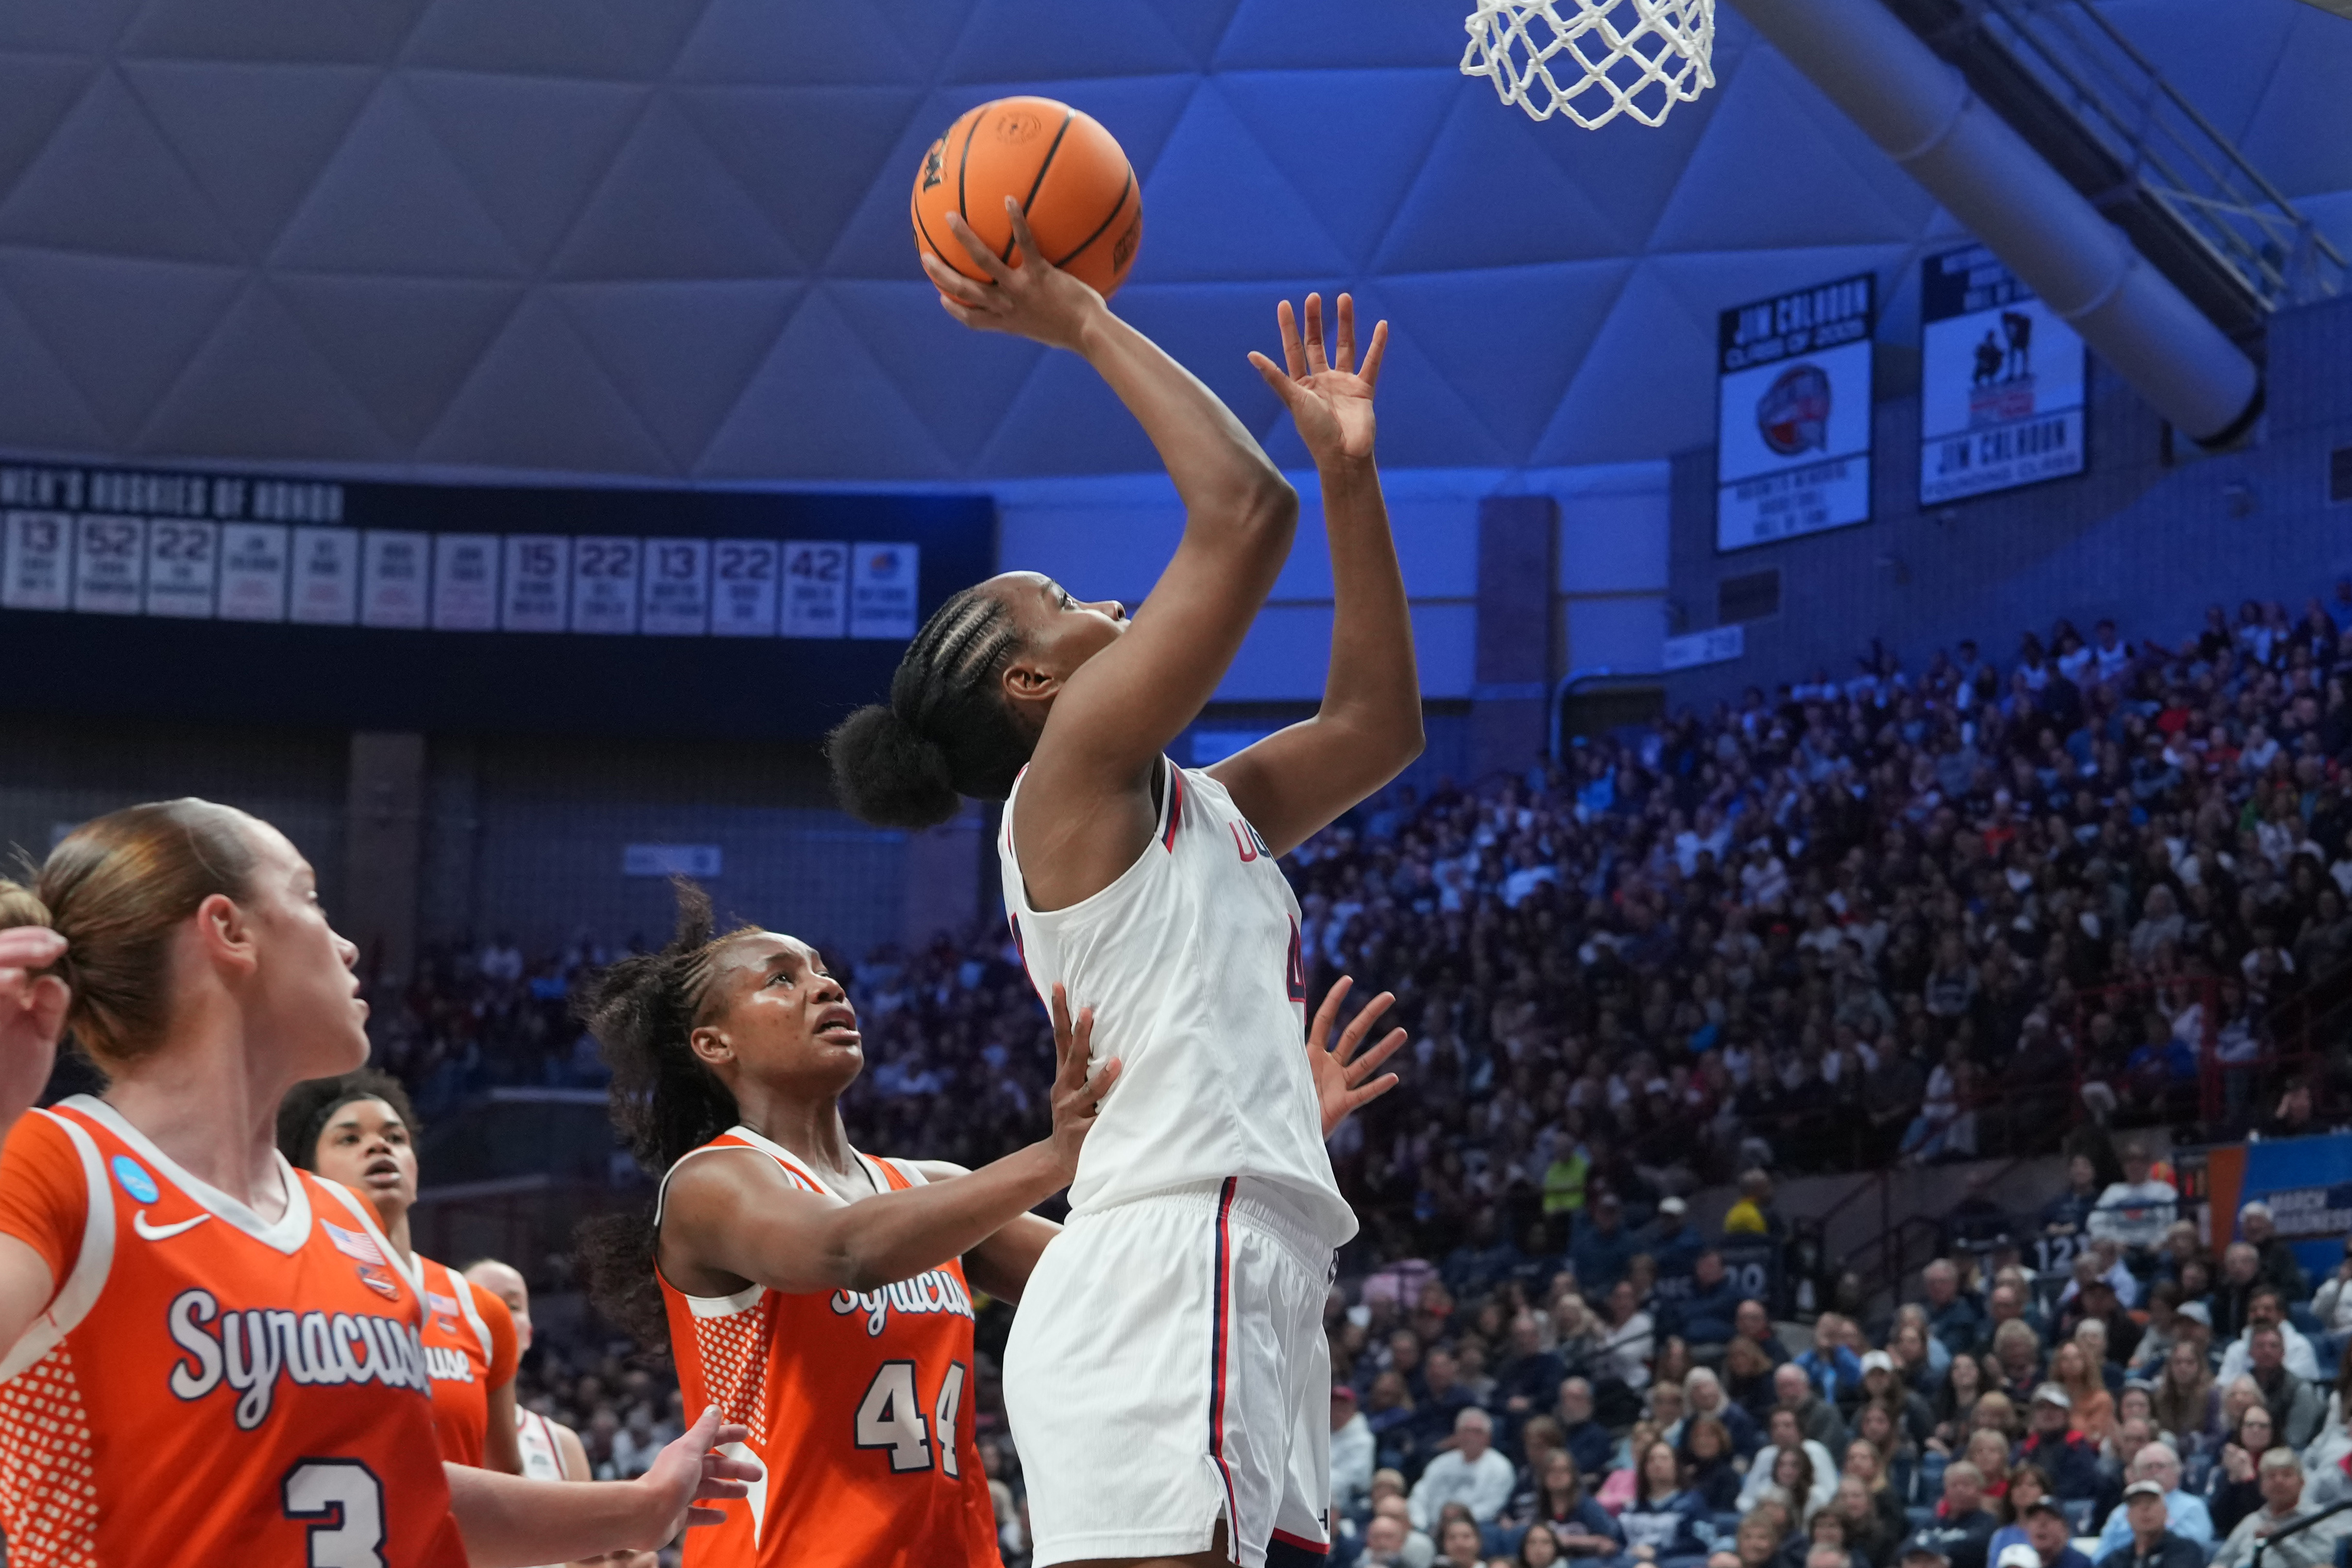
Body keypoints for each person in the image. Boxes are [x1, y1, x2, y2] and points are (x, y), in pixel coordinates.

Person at [843, 202, 1421, 1568]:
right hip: (1173, 1257)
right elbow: (1238, 512)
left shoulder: (1189, 804)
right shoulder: (1068, 783)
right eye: (1050, 595)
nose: (1087, 592)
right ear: (1028, 683)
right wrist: (1081, 320)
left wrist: (1352, 477)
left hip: (1240, 1250)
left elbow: (1376, 728)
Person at [0, 804, 751, 1566]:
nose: (349, 945)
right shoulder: (61, 1161)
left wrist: (644, 1506)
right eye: (312, 900)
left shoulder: (345, 1220)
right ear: (228, 931)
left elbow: (402, 1488)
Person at [574, 883, 1133, 1566]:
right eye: (782, 979)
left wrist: (1269, 1144)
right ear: (715, 1044)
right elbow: (845, 1250)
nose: (825, 986)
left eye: (822, 970)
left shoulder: (931, 1191)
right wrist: (1052, 1158)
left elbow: (1119, 1279)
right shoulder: (710, 1183)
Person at [279, 1070, 525, 1474]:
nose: (378, 1145)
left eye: (395, 1138)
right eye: (349, 1139)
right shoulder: (285, 1297)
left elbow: (510, 1485)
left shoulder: (482, 1313)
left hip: (461, 1538)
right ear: (308, 1176)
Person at [465, 1257, 656, 1568]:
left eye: (512, 1306)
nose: (497, 1314)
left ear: (529, 1334)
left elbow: (582, 1564)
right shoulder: (419, 1431)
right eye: (481, 1303)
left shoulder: (561, 1445)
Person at [2091, 1445, 2212, 1557]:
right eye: (2148, 1467)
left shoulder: (2192, 1507)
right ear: (2136, 1474)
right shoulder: (2120, 1513)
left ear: (2177, 1471)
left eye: (2161, 1466)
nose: (2154, 1472)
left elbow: (2192, 1551)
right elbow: (2101, 1556)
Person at [1410, 1409, 1517, 1532]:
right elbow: (1420, 1495)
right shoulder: (1440, 1463)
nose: (1471, 1437)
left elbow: (1492, 1507)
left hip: (1474, 1528)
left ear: (1489, 1437)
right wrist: (1420, 1523)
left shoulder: (1500, 1467)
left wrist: (1457, 1523)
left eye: (1477, 1432)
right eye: (1466, 1431)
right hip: (1430, 1527)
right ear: (1457, 1435)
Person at [1616, 1438, 1710, 1563]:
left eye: (1664, 1459)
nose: (1657, 1464)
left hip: (1671, 1561)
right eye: (1651, 1460)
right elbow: (1618, 1541)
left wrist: (1658, 1552)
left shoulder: (1692, 1502)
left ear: (1676, 1466)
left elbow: (1701, 1542)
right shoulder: (1632, 1507)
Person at [2086, 1147, 2176, 1258]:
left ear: (2148, 1164)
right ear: (2123, 1166)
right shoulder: (2113, 1192)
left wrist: (2161, 1241)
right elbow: (2095, 1223)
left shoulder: (2164, 1191)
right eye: (2130, 1162)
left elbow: (2173, 1223)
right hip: (2120, 1250)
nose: (2135, 1166)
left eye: (2140, 1162)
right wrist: (2112, 1242)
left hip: (2157, 1249)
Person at [2016, 1388, 2100, 1501]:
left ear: (2066, 1414)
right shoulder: (2027, 1447)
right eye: (2041, 1408)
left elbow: (2080, 1485)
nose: (2048, 1413)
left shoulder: (2076, 1445)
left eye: (2055, 1408)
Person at [2094, 1481, 2201, 1568]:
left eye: (2151, 1502)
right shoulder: (2116, 1559)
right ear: (2127, 1516)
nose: (2144, 1509)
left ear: (2165, 1512)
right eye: (2136, 1503)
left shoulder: (2185, 1550)